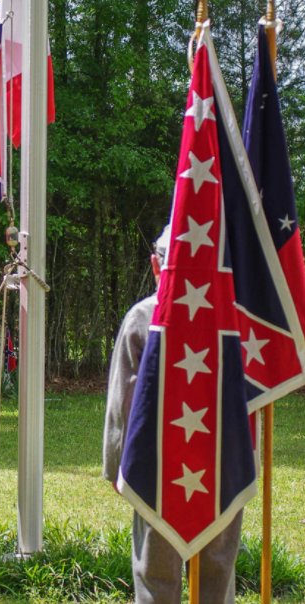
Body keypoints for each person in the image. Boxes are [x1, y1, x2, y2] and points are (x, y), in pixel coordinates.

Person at [102, 226, 243, 604]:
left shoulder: (142, 318)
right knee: (217, 575)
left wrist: (119, 468)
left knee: (156, 578)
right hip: (221, 469)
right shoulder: (234, 322)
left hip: (159, 472)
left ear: (155, 265)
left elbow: (123, 406)